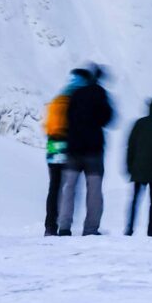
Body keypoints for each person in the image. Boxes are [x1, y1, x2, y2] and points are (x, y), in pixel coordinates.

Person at [57, 64, 114, 236]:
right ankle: (90, 228)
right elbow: (107, 118)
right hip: (93, 150)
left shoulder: (76, 94)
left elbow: (67, 117)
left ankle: (64, 227)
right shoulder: (101, 94)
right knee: (94, 191)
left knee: (69, 188)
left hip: (73, 148)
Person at [42, 70, 83, 236]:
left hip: (53, 146)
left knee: (54, 186)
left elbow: (47, 126)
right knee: (68, 187)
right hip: (67, 145)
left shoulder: (56, 100)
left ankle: (49, 226)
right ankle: (64, 225)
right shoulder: (74, 102)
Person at [125, 98, 152, 236]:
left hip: (138, 169)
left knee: (135, 200)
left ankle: (129, 228)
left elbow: (130, 146)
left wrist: (129, 165)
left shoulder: (139, 123)